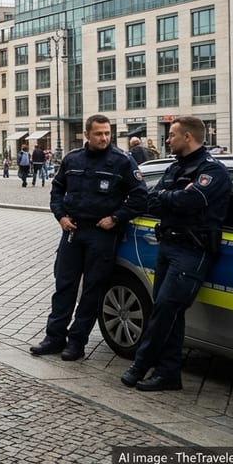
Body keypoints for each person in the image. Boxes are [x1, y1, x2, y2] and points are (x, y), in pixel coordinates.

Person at [121, 116, 230, 392]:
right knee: (170, 312)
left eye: (171, 135)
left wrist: (173, 196)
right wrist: (175, 196)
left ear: (188, 137)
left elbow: (192, 200)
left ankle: (141, 364)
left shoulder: (212, 171)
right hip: (168, 246)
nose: (167, 140)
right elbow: (152, 201)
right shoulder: (174, 168)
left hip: (193, 249)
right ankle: (169, 374)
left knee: (166, 309)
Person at [31, 115, 147, 361]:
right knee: (64, 286)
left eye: (107, 133)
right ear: (86, 135)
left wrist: (116, 218)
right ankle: (54, 337)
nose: (104, 138)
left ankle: (77, 342)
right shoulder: (72, 159)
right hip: (72, 231)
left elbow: (139, 197)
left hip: (101, 234)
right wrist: (61, 216)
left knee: (92, 290)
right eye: (99, 134)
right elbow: (57, 189)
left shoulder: (121, 161)